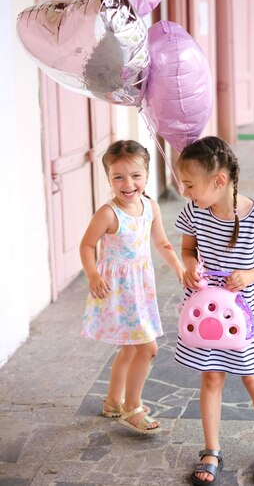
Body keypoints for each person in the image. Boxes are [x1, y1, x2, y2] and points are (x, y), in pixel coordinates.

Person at [175, 136, 254, 484]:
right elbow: (188, 250)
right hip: (206, 309)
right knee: (210, 376)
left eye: (190, 184)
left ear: (219, 181)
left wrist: (251, 274)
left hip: (246, 314)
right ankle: (211, 449)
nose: (185, 191)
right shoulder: (194, 211)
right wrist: (189, 267)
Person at [80, 139, 184, 435]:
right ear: (109, 179)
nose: (128, 184)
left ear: (147, 174)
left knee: (128, 349)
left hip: (141, 288)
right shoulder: (109, 213)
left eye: (136, 175)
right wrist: (92, 275)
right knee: (147, 348)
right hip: (119, 292)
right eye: (119, 177)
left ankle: (113, 401)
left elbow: (161, 242)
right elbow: (87, 245)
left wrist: (177, 266)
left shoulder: (150, 206)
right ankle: (132, 407)